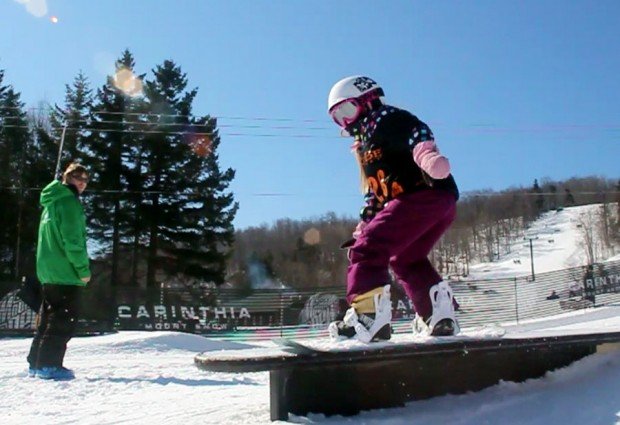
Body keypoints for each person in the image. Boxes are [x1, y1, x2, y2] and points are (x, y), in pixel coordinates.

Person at [326, 76, 460, 342]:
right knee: (406, 259)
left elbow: (417, 133)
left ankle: (369, 318)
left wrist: (427, 155)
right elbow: (376, 192)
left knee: (366, 249)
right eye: (338, 118)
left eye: (347, 110)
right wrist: (367, 221)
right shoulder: (365, 146)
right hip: (436, 202)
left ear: (367, 99)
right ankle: (439, 314)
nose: (346, 122)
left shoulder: (390, 119)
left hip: (421, 193)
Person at [26, 163, 91, 380]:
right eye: (77, 177)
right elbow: (73, 241)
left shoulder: (51, 202)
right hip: (65, 272)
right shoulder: (68, 203)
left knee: (47, 318)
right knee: (63, 319)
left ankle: (36, 362)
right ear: (66, 178)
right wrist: (82, 269)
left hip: (48, 271)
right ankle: (48, 365)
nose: (82, 182)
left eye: (85, 179)